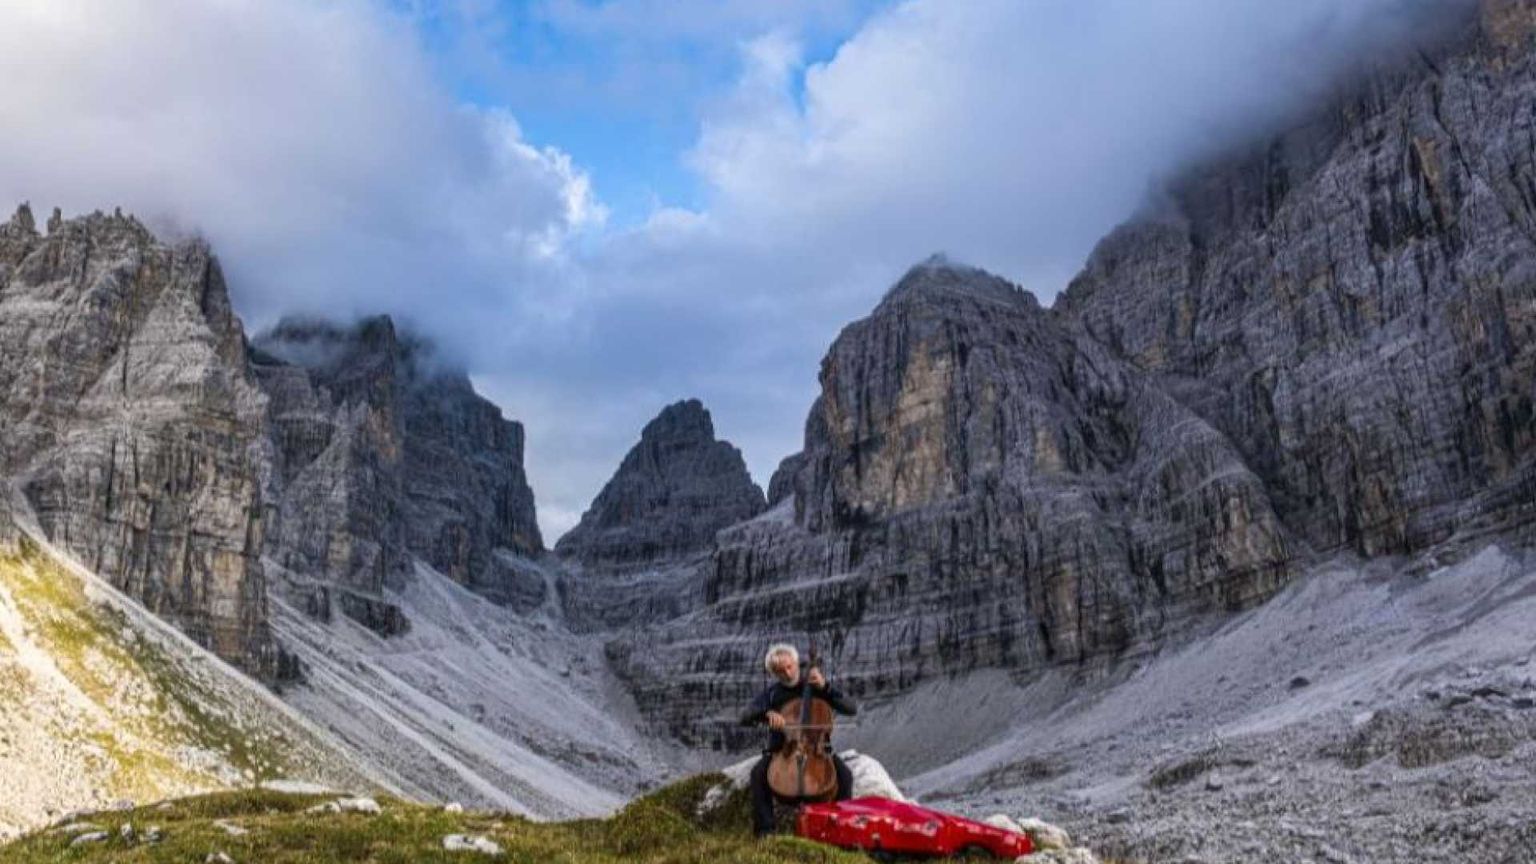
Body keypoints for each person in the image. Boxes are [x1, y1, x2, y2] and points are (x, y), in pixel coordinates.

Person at [738, 642, 857, 837]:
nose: (786, 672)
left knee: (845, 776)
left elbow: (851, 709)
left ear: (795, 662)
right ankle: (765, 832)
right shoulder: (772, 694)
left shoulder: (816, 686)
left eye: (789, 666)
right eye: (779, 670)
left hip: (818, 749)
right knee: (758, 774)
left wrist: (825, 687)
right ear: (774, 673)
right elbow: (744, 717)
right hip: (783, 751)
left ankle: (841, 829)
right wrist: (766, 714)